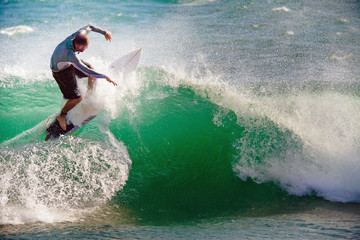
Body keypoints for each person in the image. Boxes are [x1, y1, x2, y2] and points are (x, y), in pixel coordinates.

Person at [50, 24, 117, 131]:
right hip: (60, 72)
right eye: (85, 48)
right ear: (79, 46)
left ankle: (89, 96)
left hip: (67, 64)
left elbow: (90, 26)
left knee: (91, 68)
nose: (85, 49)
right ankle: (61, 115)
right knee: (77, 98)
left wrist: (105, 32)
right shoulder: (71, 55)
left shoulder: (77, 35)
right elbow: (87, 71)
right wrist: (105, 77)